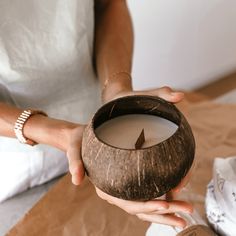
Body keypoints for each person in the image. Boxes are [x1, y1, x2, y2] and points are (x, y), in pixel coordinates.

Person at [0, 0, 192, 228]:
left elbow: (108, 5)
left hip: (100, 121)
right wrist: (57, 132)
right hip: (18, 163)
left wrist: (116, 90)